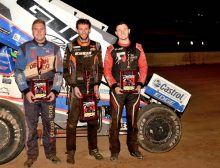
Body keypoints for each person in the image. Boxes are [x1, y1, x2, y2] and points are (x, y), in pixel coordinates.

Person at [14, 19, 63, 168]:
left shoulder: (55, 49)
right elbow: (18, 71)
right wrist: (25, 91)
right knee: (31, 126)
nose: (39, 32)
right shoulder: (24, 48)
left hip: (49, 93)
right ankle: (31, 155)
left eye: (41, 29)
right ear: (32, 30)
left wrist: (55, 90)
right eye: (36, 29)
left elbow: (60, 72)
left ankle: (51, 153)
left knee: (50, 125)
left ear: (46, 30)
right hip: (30, 93)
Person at [103, 21, 148, 161]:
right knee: (115, 123)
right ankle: (114, 151)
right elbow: (106, 70)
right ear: (116, 33)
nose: (122, 32)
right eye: (119, 30)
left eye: (124, 29)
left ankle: (134, 149)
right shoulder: (111, 49)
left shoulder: (138, 48)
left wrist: (140, 84)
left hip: (134, 92)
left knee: (133, 123)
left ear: (129, 30)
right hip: (118, 93)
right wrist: (114, 86)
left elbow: (144, 67)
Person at [63, 18, 104, 164]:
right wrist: (73, 86)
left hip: (91, 89)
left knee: (92, 121)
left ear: (90, 29)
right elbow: (65, 71)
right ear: (76, 29)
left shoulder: (96, 46)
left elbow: (100, 68)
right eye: (80, 29)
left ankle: (93, 149)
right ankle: (71, 152)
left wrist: (97, 85)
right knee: (72, 122)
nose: (83, 31)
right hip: (76, 89)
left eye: (86, 29)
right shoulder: (70, 46)